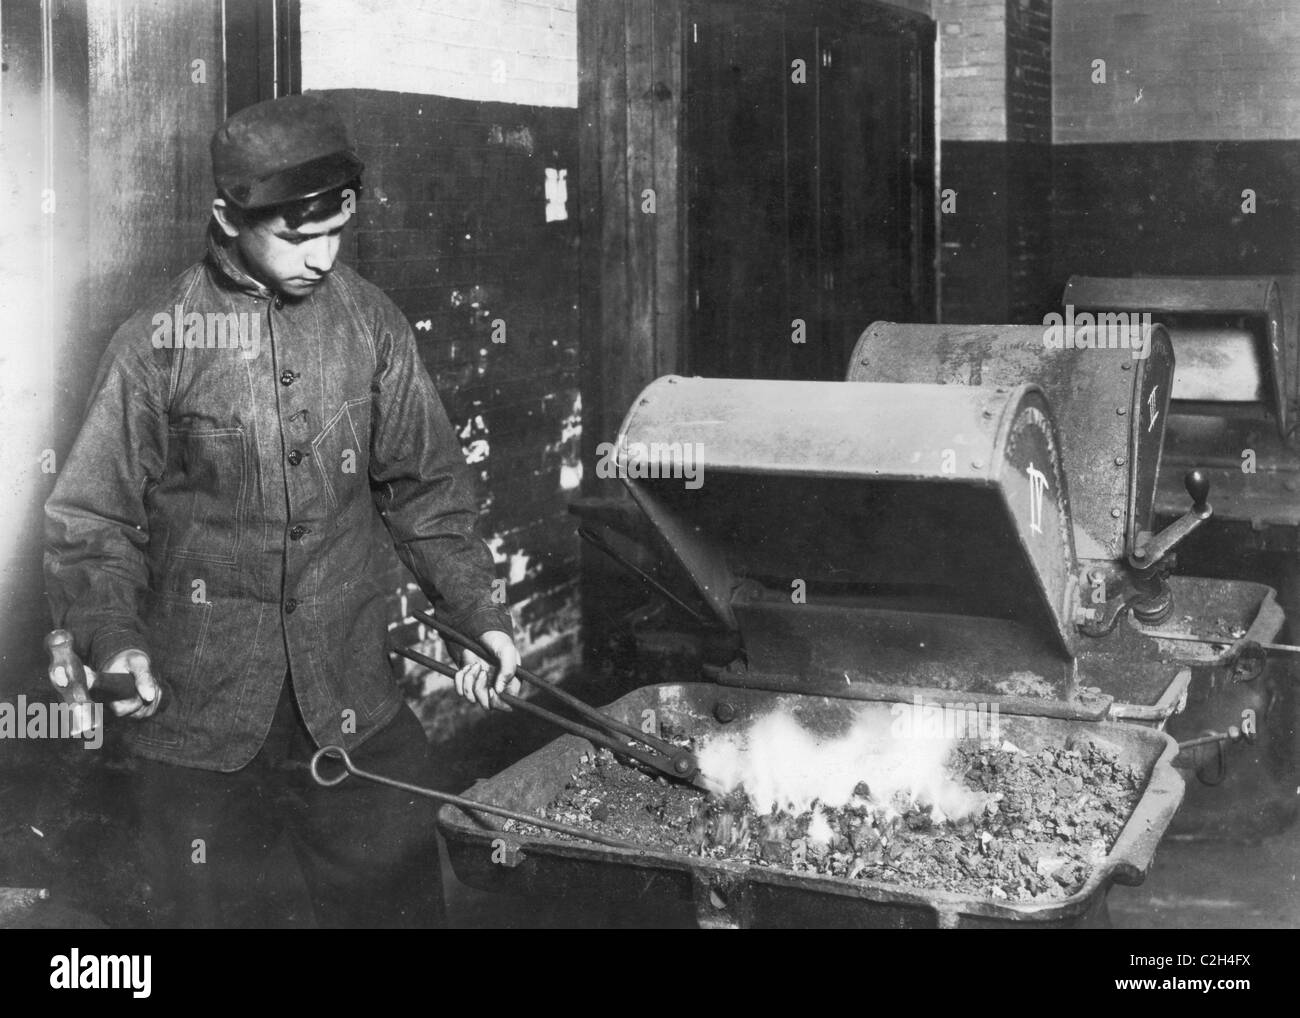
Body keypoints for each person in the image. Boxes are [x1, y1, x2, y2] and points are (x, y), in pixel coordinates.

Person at [43, 93, 520, 928]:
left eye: (336, 232)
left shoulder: (371, 325)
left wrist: (478, 611)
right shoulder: (155, 344)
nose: (323, 259)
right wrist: (113, 640)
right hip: (198, 724)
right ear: (228, 218)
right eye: (297, 238)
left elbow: (429, 490)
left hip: (351, 702)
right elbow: (93, 520)